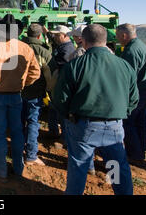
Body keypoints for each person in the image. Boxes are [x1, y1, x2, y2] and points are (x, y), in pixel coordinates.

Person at [53, 24, 139, 195]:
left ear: (83, 41)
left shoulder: (75, 65)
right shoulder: (124, 65)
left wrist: (68, 116)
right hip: (114, 127)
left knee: (78, 166)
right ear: (106, 41)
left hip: (83, 126)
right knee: (115, 166)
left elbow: (60, 99)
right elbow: (133, 98)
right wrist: (120, 115)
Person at [0, 14, 41, 181]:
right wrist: (23, 83)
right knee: (16, 132)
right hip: (16, 96)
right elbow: (35, 73)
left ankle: (0, 170)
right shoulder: (25, 49)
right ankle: (18, 167)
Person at [116, 23, 146, 163]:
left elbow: (127, 77)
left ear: (124, 35)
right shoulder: (141, 45)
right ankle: (141, 152)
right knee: (140, 123)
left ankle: (133, 154)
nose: (117, 39)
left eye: (117, 36)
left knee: (128, 123)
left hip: (137, 93)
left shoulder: (130, 51)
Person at [20, 24, 52, 166]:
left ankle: (18, 150)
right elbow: (49, 74)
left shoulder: (19, 46)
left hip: (19, 90)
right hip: (36, 92)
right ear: (39, 36)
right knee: (33, 122)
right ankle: (31, 155)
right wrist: (49, 90)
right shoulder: (44, 51)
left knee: (19, 121)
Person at [44, 25, 76, 140]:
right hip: (56, 85)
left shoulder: (67, 50)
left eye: (58, 35)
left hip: (60, 85)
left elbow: (64, 70)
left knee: (62, 113)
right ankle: (54, 131)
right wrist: (47, 32)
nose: (55, 37)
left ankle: (65, 138)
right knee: (53, 108)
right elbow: (53, 40)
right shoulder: (61, 46)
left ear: (65, 35)